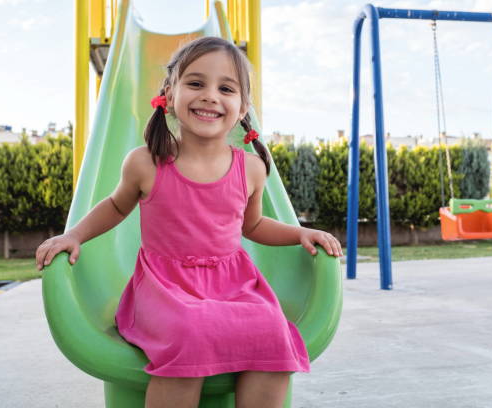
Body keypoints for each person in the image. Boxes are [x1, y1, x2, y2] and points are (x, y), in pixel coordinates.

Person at [35, 36, 342, 408]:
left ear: (243, 106)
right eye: (196, 83)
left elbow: (254, 226)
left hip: (232, 284)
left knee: (273, 331)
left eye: (225, 88)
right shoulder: (146, 162)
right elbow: (116, 207)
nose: (210, 95)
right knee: (190, 332)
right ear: (169, 92)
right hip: (164, 288)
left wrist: (300, 233)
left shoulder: (252, 169)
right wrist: (75, 235)